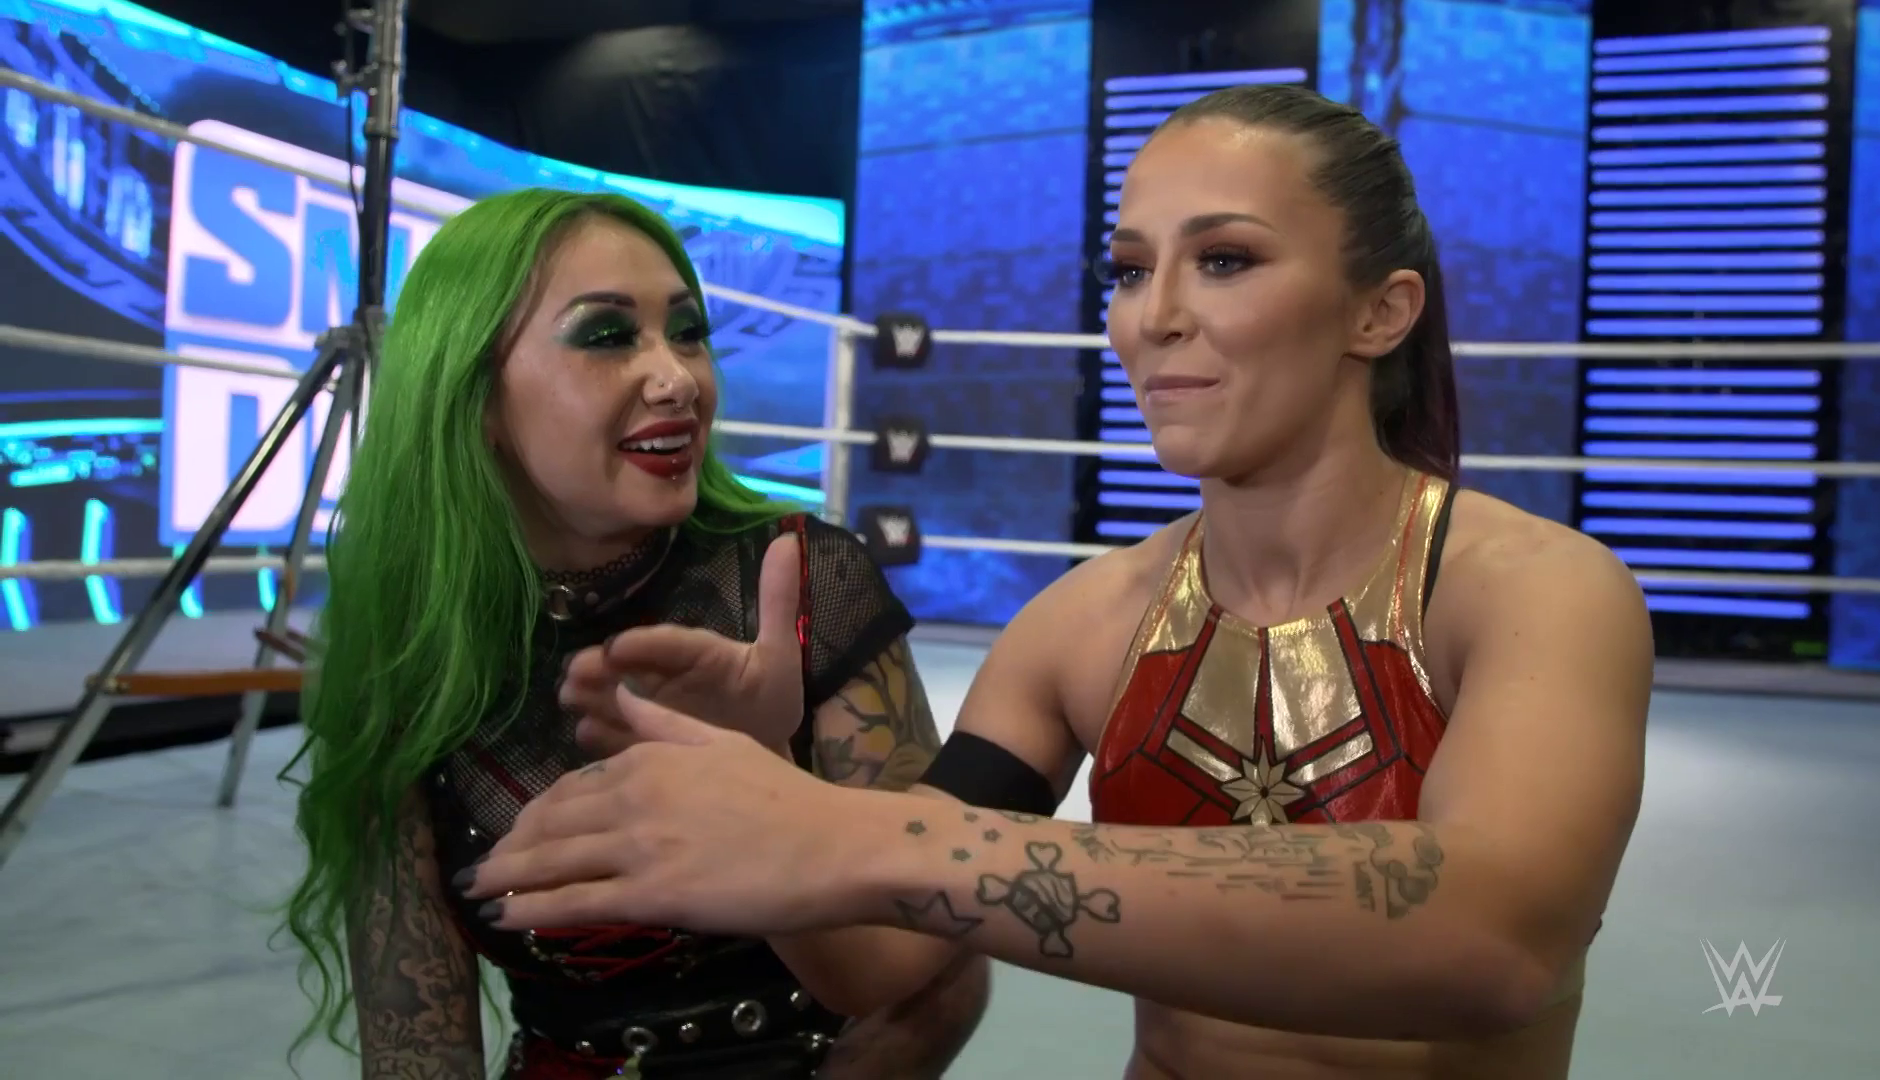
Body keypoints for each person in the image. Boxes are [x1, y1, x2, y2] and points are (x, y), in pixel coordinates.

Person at [462, 85, 1651, 1079]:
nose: (1153, 318)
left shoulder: (1537, 593)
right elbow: (885, 967)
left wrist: (869, 837)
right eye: (1129, 271)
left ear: (1381, 311)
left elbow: (1491, 939)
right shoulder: (1080, 627)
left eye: (1225, 260)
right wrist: (773, 776)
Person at [281, 188, 989, 1080]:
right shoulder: (408, 652)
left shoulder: (803, 578)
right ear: (475, 394)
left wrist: (765, 781)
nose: (678, 378)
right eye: (609, 336)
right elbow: (417, 1048)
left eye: (688, 332)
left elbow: (937, 972)